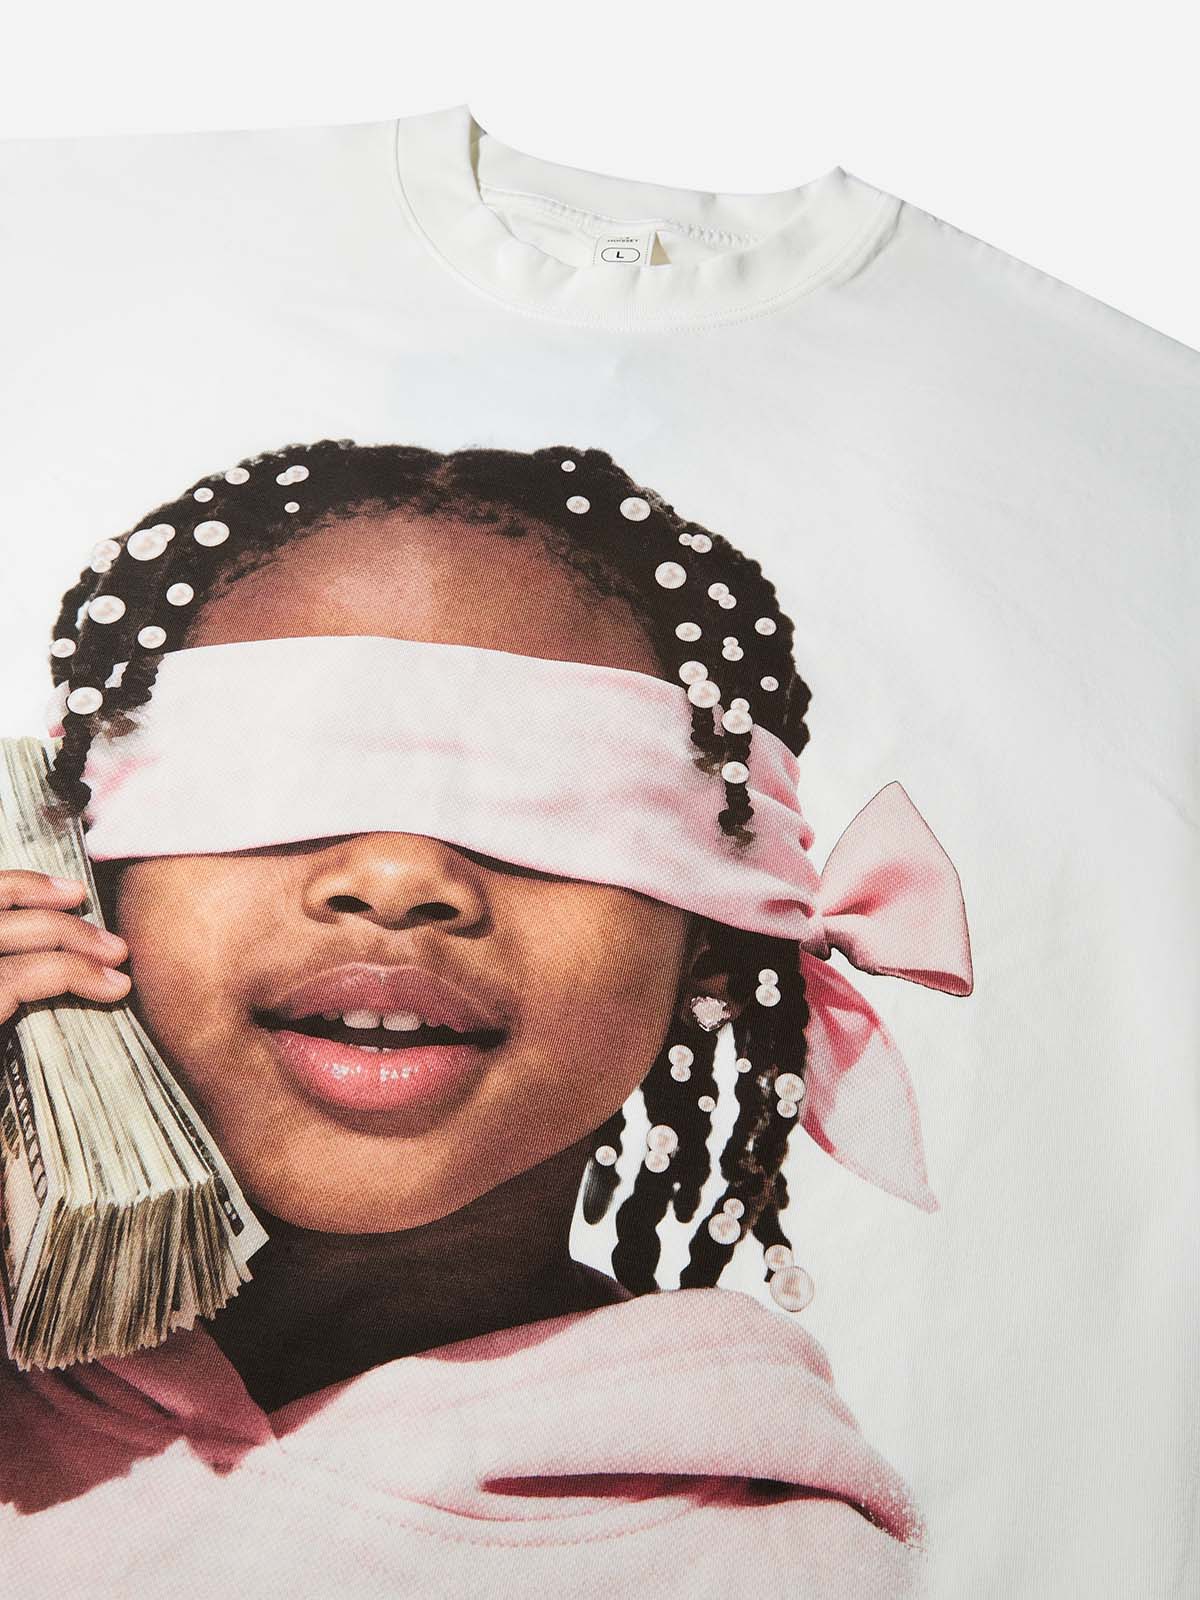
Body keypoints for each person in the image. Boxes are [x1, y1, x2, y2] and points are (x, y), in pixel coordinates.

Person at [0, 438, 973, 1597]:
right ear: (78, 855)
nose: (400, 873)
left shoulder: (783, 1568)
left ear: (721, 932)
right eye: (282, 772)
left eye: (551, 797)